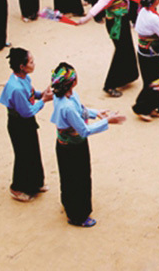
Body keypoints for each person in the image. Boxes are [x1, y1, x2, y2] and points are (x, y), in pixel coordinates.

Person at [50, 62, 126, 227]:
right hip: (73, 148)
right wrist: (108, 121)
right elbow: (83, 130)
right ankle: (77, 216)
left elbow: (81, 110)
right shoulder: (67, 106)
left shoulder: (65, 96)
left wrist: (97, 113)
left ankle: (69, 204)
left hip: (67, 145)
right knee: (79, 179)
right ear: (73, 82)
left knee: (69, 177)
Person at [77, 0, 140, 97]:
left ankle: (127, 76)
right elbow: (101, 3)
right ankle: (110, 85)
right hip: (116, 23)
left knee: (127, 48)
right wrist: (86, 18)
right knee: (121, 50)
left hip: (121, 20)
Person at [0, 48, 53, 202]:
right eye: (31, 62)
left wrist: (40, 94)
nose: (34, 64)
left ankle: (35, 184)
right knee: (23, 156)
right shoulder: (15, 88)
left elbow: (30, 93)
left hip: (26, 123)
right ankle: (17, 188)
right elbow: (27, 112)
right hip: (19, 124)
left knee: (33, 152)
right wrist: (44, 100)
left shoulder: (23, 78)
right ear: (22, 66)